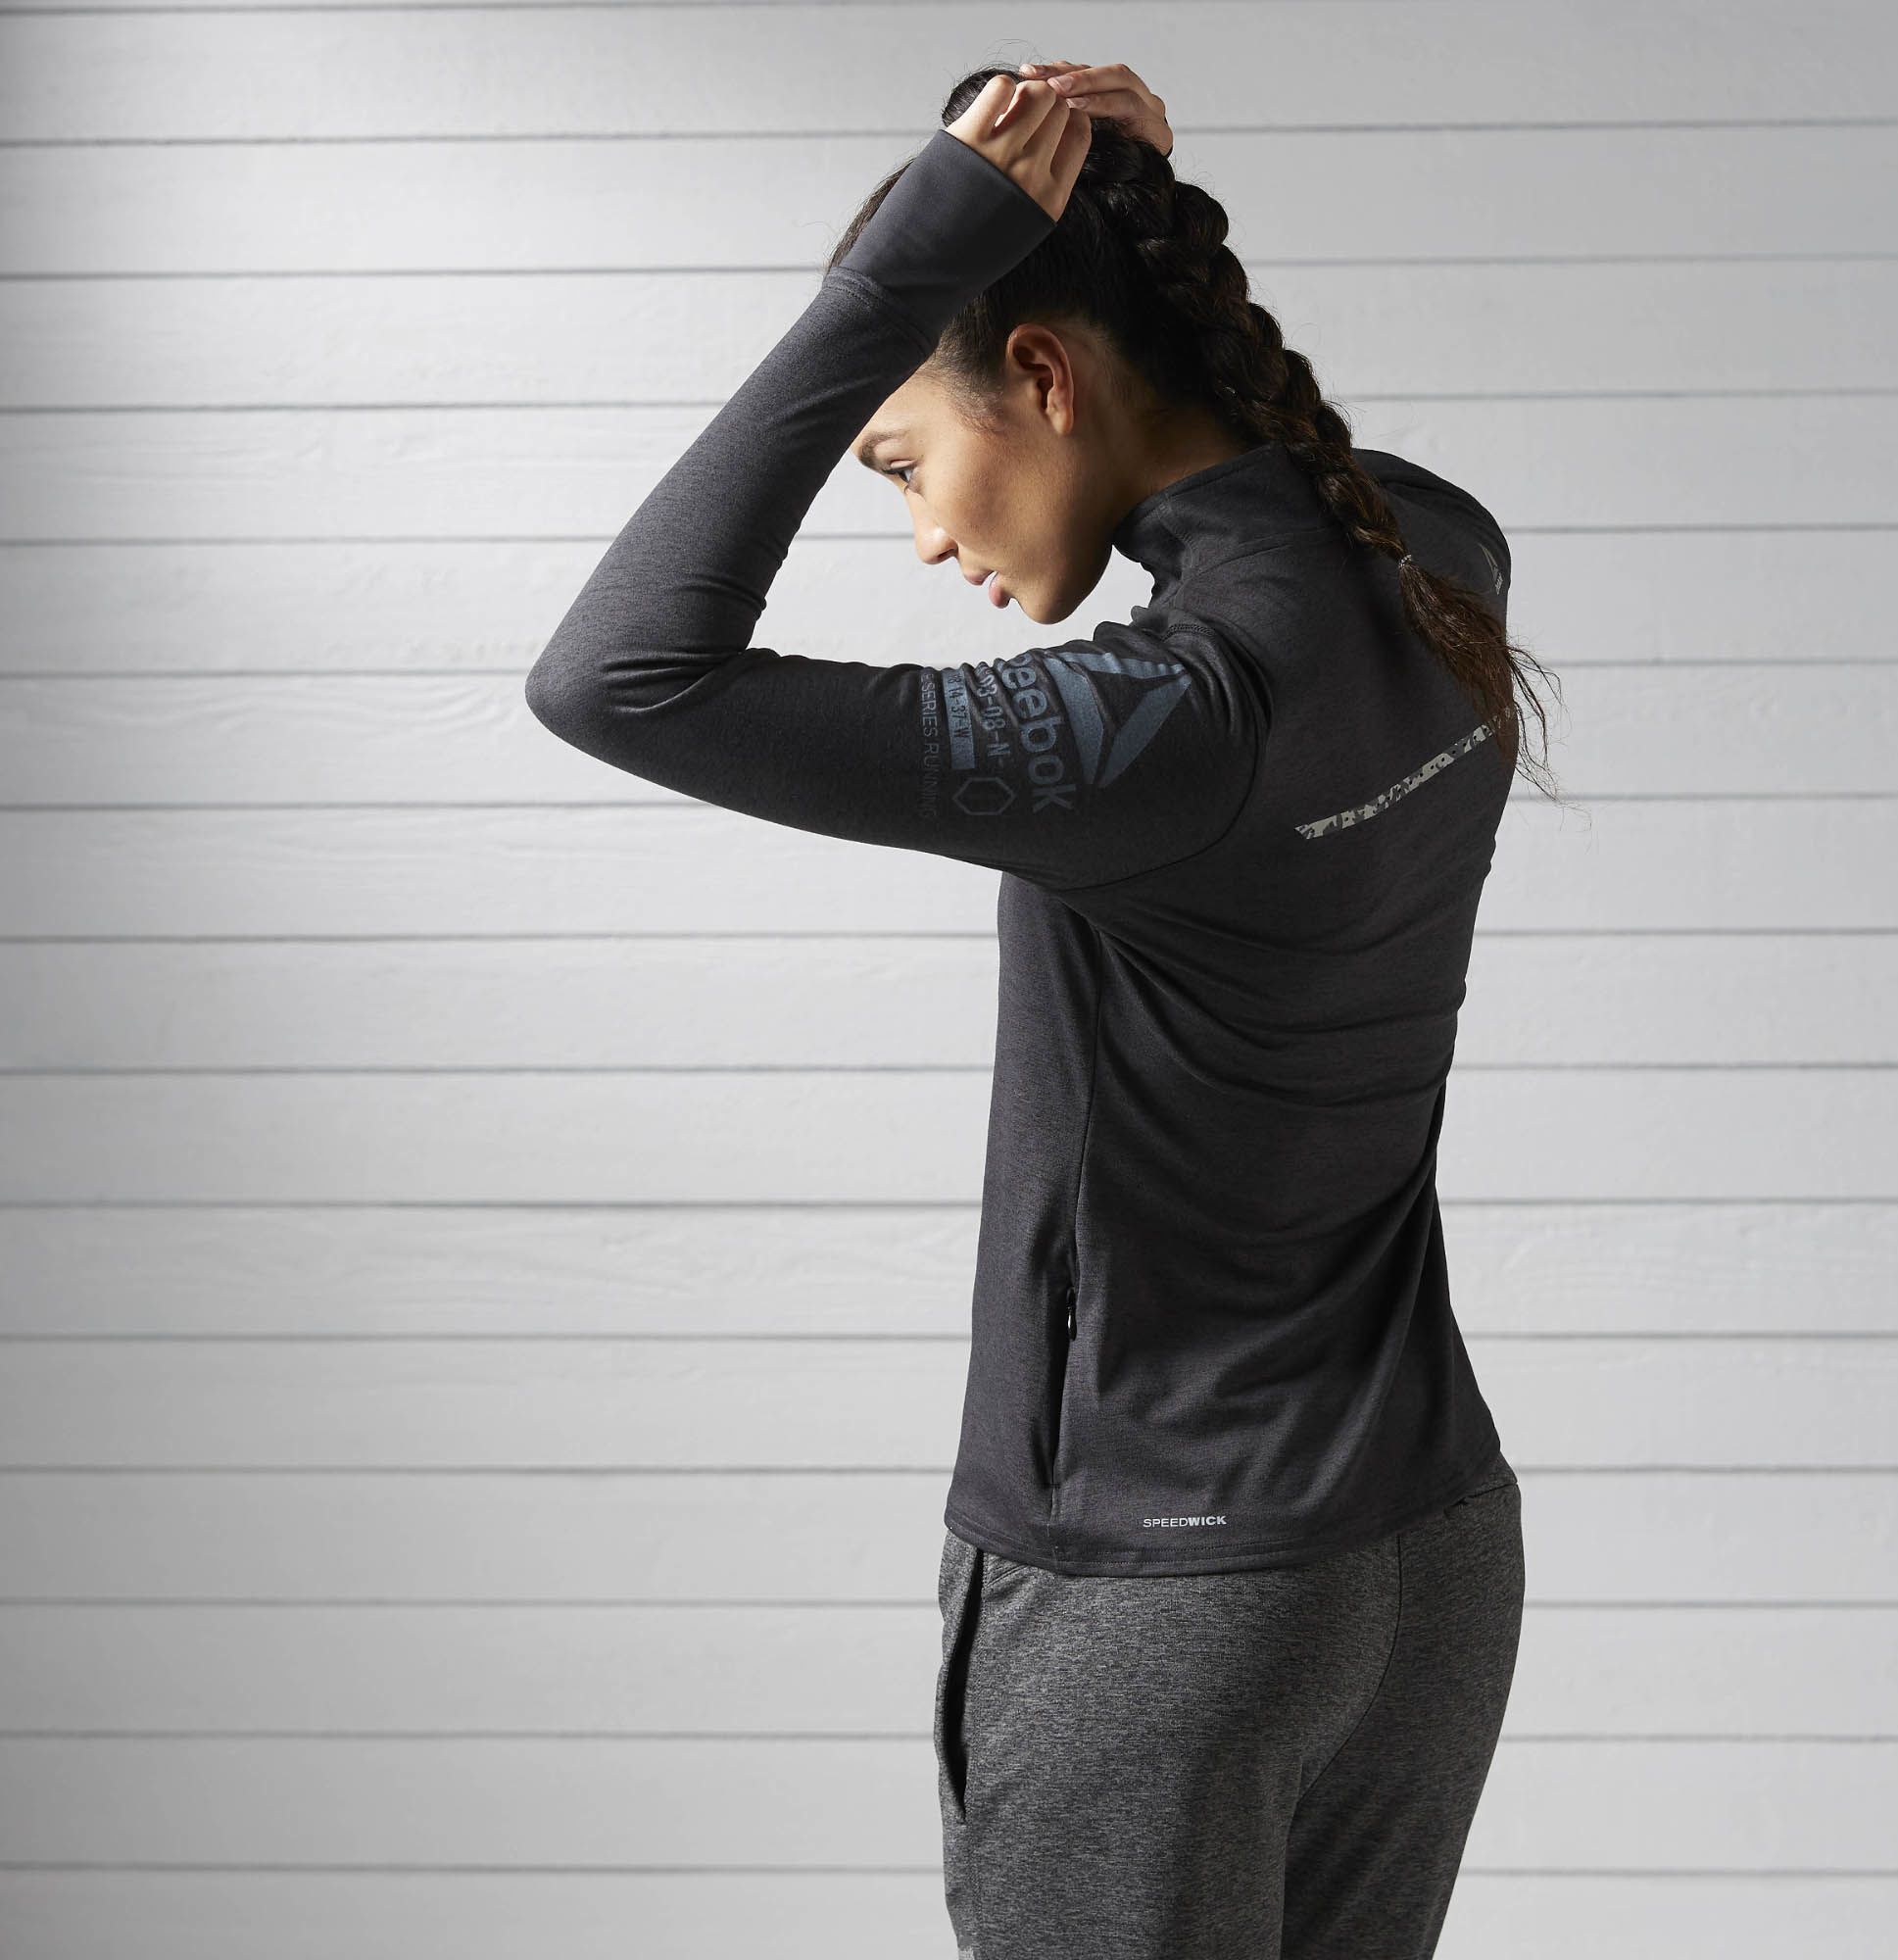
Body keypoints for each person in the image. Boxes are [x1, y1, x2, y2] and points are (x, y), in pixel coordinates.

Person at [525, 57, 1561, 1960]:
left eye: (902, 462)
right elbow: (1272, 454)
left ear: (1043, 374)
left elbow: (616, 678)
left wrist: (901, 269)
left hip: (1164, 1598)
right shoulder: (1435, 556)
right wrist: (1117, 222)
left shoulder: (1168, 730)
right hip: (1423, 1555)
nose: (926, 532)